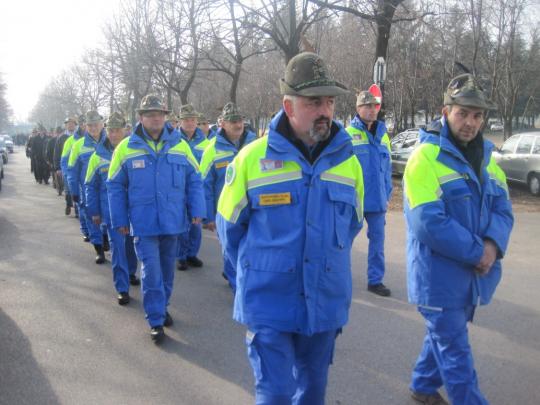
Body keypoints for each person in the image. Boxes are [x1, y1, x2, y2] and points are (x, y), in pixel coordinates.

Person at [216, 52, 364, 404]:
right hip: (268, 301)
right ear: (289, 105)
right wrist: (258, 273)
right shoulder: (251, 160)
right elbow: (229, 230)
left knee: (313, 391)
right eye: (314, 102)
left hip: (324, 301)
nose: (325, 110)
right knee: (276, 393)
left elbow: (352, 226)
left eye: (329, 101)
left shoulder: (349, 162)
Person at [403, 74, 514, 405]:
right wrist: (478, 252)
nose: (470, 123)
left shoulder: (488, 162)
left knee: (445, 337)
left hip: (471, 276)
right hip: (437, 278)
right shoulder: (424, 158)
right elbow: (428, 222)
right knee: (456, 353)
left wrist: (492, 247)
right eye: (462, 113)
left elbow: (503, 210)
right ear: (445, 111)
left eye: (477, 115)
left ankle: (422, 386)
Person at [107, 95, 205, 343]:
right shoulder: (126, 148)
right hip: (144, 222)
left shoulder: (180, 146)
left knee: (167, 271)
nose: (156, 118)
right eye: (150, 114)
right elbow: (115, 186)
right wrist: (119, 219)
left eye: (160, 114)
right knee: (151, 271)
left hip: (173, 221)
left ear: (166, 117)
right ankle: (155, 320)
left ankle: (162, 306)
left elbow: (195, 179)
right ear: (141, 117)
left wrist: (197, 210)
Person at [200, 102, 257, 291]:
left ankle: (237, 276)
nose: (238, 124)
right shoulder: (212, 149)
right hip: (225, 212)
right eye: (232, 121)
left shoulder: (254, 144)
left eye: (240, 120)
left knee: (249, 248)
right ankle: (237, 287)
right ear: (222, 124)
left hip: (253, 209)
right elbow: (204, 186)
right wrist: (207, 216)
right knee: (230, 247)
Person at [85, 112, 140, 305]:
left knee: (132, 247)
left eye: (118, 130)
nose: (114, 134)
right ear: (106, 131)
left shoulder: (135, 150)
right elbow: (90, 186)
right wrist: (94, 212)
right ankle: (122, 287)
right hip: (111, 213)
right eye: (111, 130)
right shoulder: (97, 156)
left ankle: (131, 273)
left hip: (135, 211)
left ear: (126, 129)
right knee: (118, 250)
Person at [346, 91, 393, 297]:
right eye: (367, 106)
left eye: (374, 106)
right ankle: (339, 277)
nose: (372, 110)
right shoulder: (347, 135)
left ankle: (375, 280)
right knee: (344, 240)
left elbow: (387, 167)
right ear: (358, 109)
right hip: (354, 200)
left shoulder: (383, 135)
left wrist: (388, 193)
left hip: (378, 199)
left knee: (377, 242)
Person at [67, 111, 107, 263]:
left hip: (108, 190)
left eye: (96, 124)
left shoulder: (111, 142)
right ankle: (98, 249)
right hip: (88, 190)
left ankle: (105, 239)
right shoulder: (78, 146)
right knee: (92, 219)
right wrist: (74, 192)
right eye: (90, 125)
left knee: (109, 219)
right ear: (85, 126)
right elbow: (72, 170)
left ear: (102, 125)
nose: (93, 128)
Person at [176, 104, 209, 271]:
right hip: (178, 187)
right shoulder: (174, 140)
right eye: (186, 120)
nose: (190, 123)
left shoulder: (205, 142)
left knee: (196, 222)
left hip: (197, 188)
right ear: (180, 121)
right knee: (181, 224)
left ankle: (192, 254)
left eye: (193, 120)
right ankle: (180, 256)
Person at [62, 114, 88, 224]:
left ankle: (79, 212)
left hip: (87, 174)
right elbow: (63, 159)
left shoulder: (96, 138)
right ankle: (71, 205)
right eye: (82, 124)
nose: (84, 126)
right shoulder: (68, 140)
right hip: (73, 172)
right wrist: (65, 172)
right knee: (72, 192)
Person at [55, 117, 77, 215]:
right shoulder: (62, 138)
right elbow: (57, 153)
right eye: (68, 123)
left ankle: (77, 208)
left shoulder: (80, 136)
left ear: (75, 125)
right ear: (66, 125)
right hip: (66, 167)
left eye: (72, 123)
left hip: (77, 167)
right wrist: (58, 168)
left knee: (77, 188)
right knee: (68, 188)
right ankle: (68, 205)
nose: (70, 125)